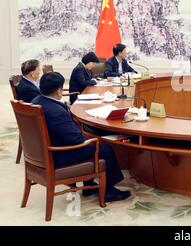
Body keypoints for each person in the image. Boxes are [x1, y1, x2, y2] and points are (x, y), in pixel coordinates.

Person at [32, 72, 131, 202]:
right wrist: (92, 139)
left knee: (94, 142)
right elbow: (75, 140)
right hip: (60, 154)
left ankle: (88, 187)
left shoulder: (36, 101)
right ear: (59, 91)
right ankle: (109, 191)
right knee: (105, 148)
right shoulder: (56, 111)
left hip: (44, 152)